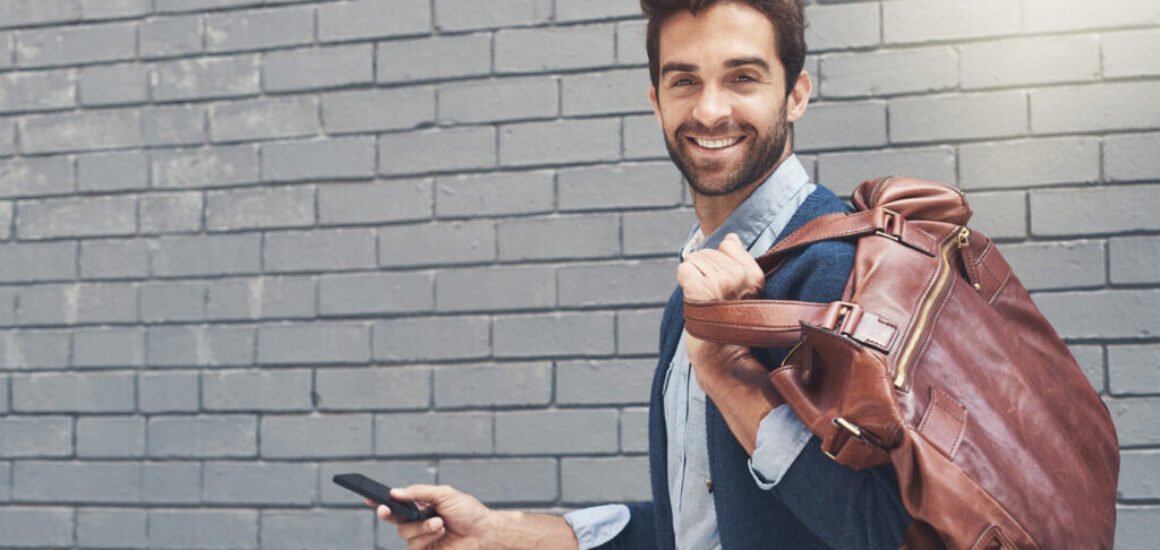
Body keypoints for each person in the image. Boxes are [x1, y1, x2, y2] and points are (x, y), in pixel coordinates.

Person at [371, 1, 912, 548]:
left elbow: (887, 533)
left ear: (795, 94)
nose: (710, 110)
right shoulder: (693, 293)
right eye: (684, 81)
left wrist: (726, 372)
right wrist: (502, 532)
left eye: (742, 77)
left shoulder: (838, 274)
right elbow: (706, 522)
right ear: (656, 101)